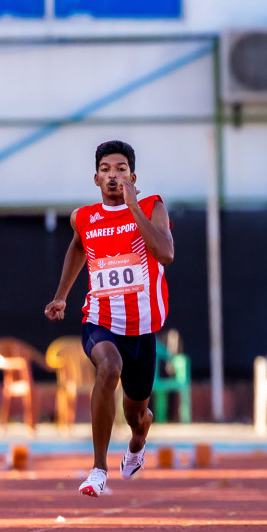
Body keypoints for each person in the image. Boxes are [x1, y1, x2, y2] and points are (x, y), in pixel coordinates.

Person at [45, 141, 174, 498]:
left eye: (120, 169)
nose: (113, 176)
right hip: (100, 319)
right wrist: (61, 296)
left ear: (132, 177)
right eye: (106, 169)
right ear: (96, 178)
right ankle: (98, 469)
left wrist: (133, 207)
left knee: (137, 414)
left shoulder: (151, 206)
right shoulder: (83, 217)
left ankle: (138, 439)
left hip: (143, 329)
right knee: (109, 365)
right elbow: (77, 245)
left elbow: (165, 253)